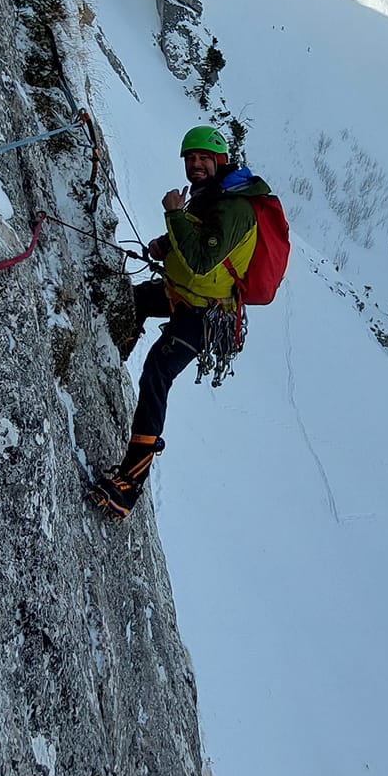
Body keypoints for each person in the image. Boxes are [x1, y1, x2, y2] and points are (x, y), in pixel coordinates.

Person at [89, 125, 273, 520]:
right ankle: (109, 361)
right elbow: (196, 235)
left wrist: (173, 213)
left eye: (203, 158)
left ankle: (129, 484)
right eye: (190, 159)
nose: (195, 164)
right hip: (183, 294)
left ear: (220, 160)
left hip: (207, 315)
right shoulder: (212, 195)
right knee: (131, 300)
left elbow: (203, 259)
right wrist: (165, 241)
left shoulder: (235, 209)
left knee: (158, 371)